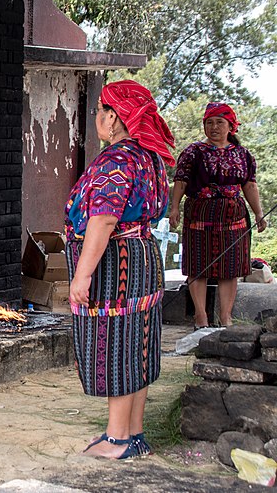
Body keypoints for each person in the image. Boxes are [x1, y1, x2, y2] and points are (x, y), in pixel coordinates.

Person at [65, 80, 174, 459]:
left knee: (116, 344)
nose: (97, 117)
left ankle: (116, 440)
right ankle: (134, 434)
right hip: (144, 257)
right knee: (138, 344)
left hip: (117, 262)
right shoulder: (150, 158)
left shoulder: (117, 159)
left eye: (99, 111)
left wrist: (82, 274)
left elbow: (104, 220)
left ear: (113, 118)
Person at [169, 103, 267, 329]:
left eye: (219, 122)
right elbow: (181, 181)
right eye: (209, 122)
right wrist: (174, 207)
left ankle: (226, 317)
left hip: (233, 217)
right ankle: (201, 317)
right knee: (198, 266)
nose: (214, 127)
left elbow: (250, 186)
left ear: (230, 127)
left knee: (229, 267)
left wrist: (259, 213)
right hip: (200, 214)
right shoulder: (193, 152)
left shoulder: (243, 155)